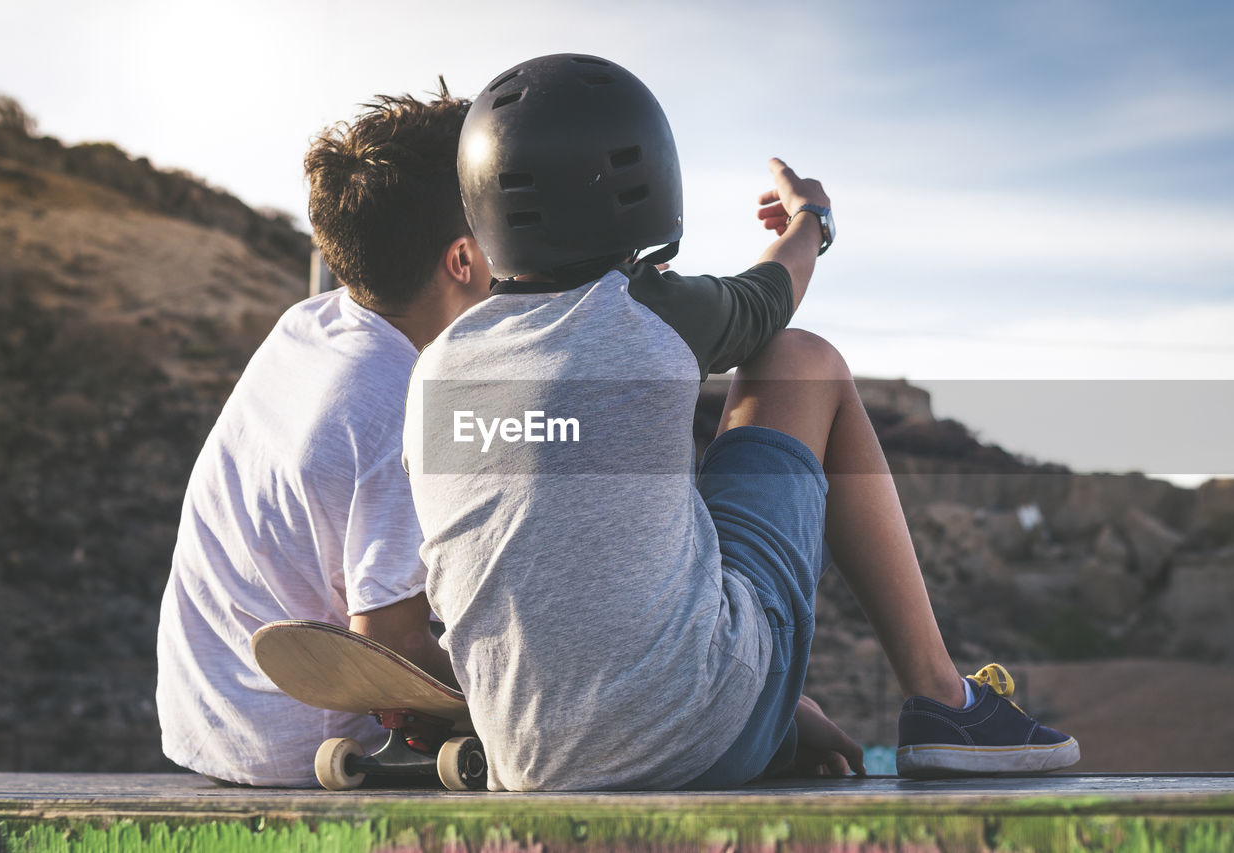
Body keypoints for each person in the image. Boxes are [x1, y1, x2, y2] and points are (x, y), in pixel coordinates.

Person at [402, 54, 1079, 790]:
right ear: (645, 183)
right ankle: (946, 701)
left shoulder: (434, 373)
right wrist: (810, 218)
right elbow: (772, 295)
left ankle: (768, 715)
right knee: (801, 361)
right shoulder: (642, 310)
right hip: (702, 733)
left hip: (529, 760)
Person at [155, 87, 488, 787]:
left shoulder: (311, 323)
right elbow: (387, 645)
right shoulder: (406, 401)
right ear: (464, 259)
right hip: (309, 747)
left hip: (204, 715)